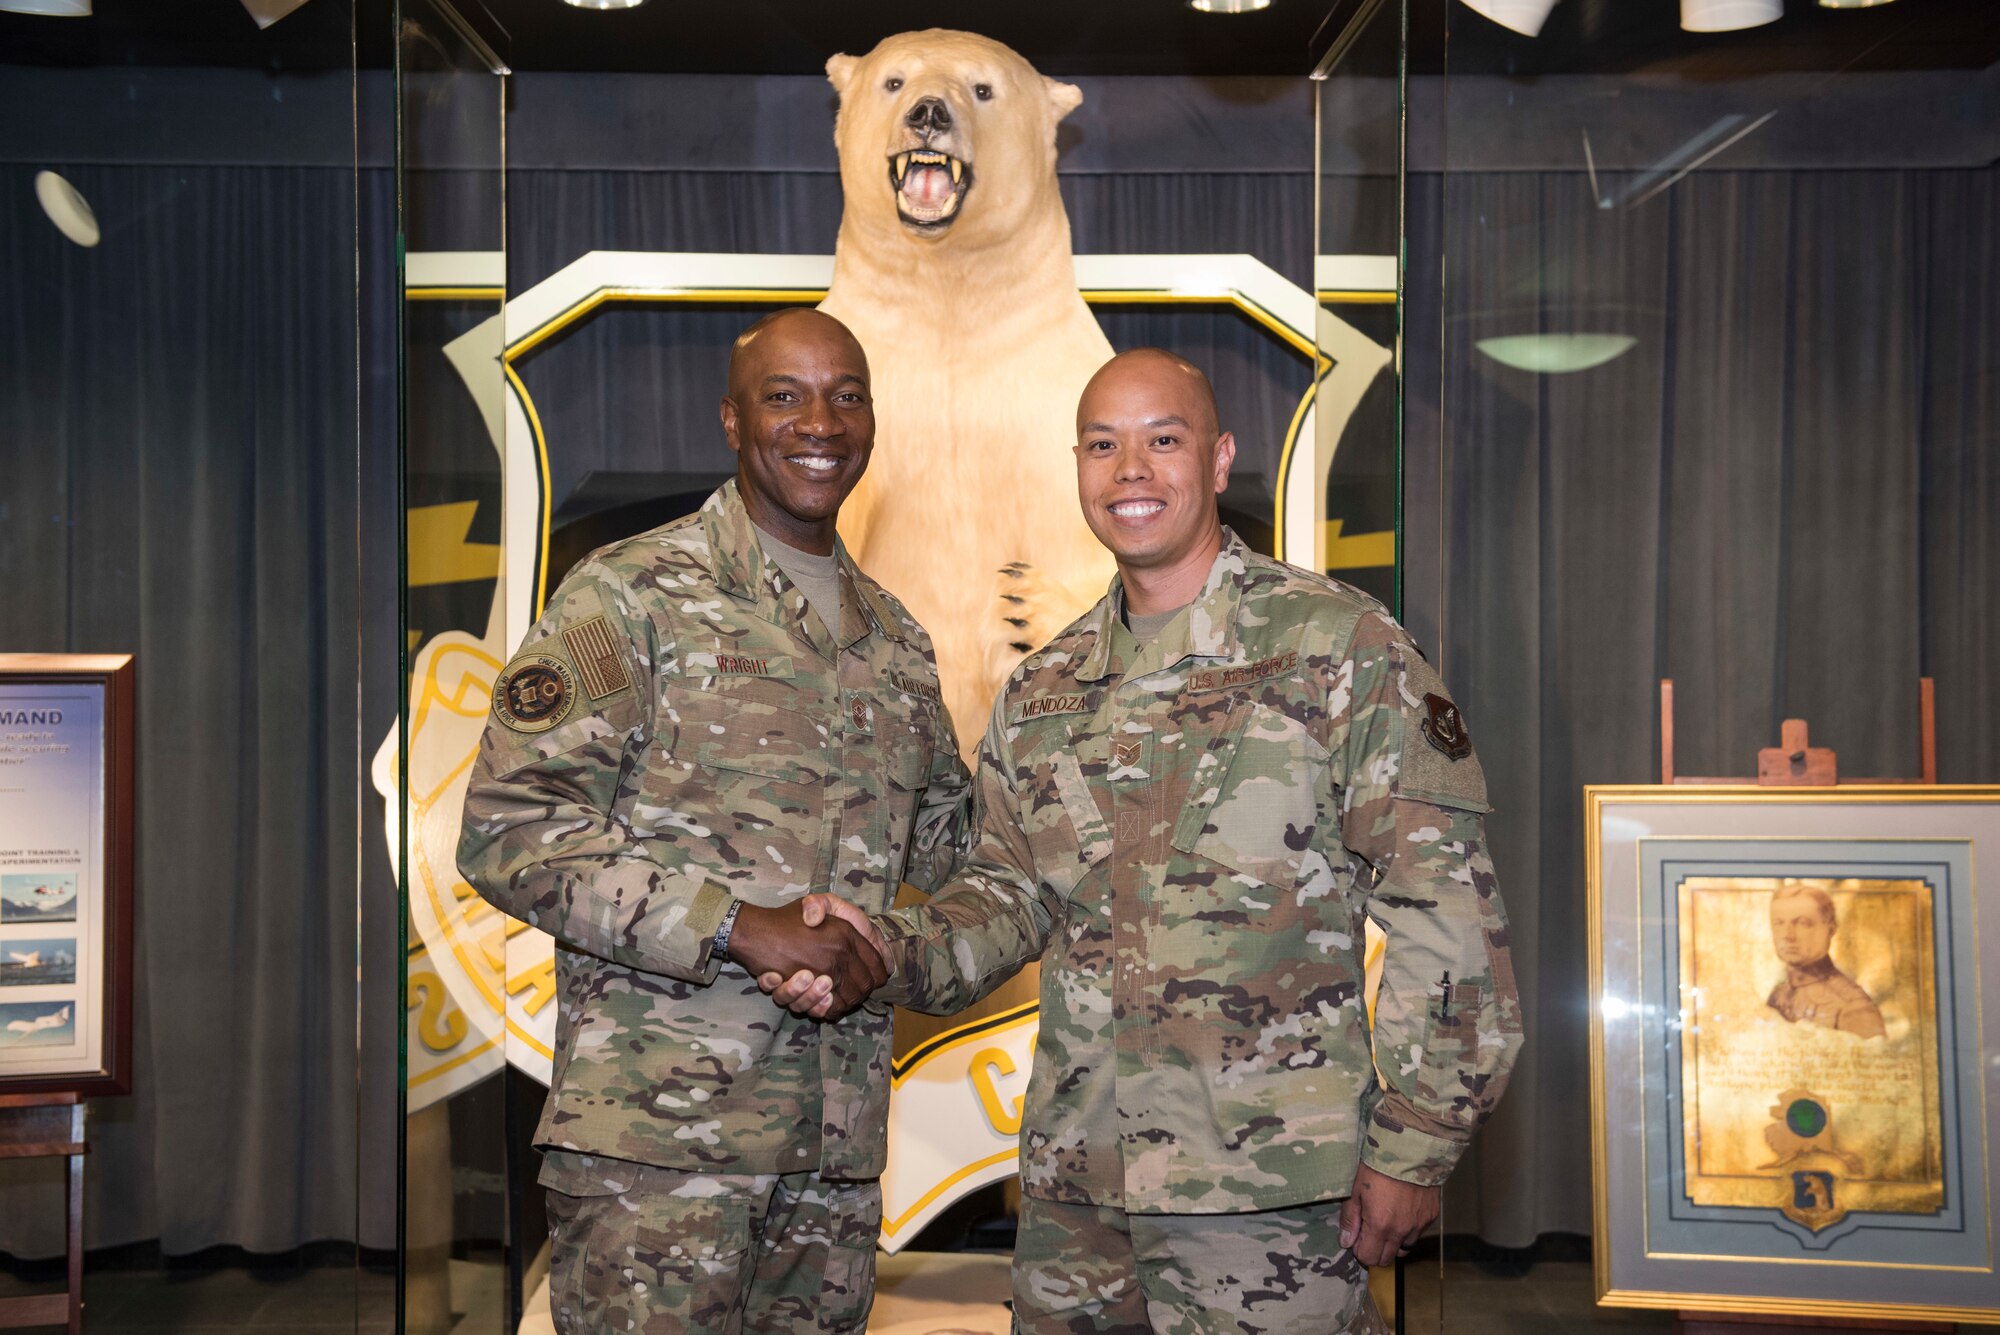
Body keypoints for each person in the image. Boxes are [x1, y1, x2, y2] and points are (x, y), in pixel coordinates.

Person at [769, 348, 1523, 1334]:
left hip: (1265, 1199)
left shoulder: (1336, 649)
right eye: (1102, 445)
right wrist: (877, 949)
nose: (1130, 470)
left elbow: (1448, 916)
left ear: (1217, 460)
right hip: (1077, 1200)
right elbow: (1003, 899)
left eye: (1160, 441)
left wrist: (1415, 1144)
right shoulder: (1044, 692)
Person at [458, 308, 970, 1334]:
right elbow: (510, 828)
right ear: (732, 422)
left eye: (845, 395)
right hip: (660, 1159)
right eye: (783, 396)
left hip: (833, 1157)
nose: (818, 421)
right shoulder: (628, 598)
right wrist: (738, 923)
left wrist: (897, 952)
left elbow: (961, 853)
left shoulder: (895, 643)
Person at [1766, 885, 1885, 1038]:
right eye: (1779, 923)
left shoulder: (1852, 1007)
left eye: (1803, 923)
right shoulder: (1778, 995)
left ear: (1830, 929)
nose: (1788, 935)